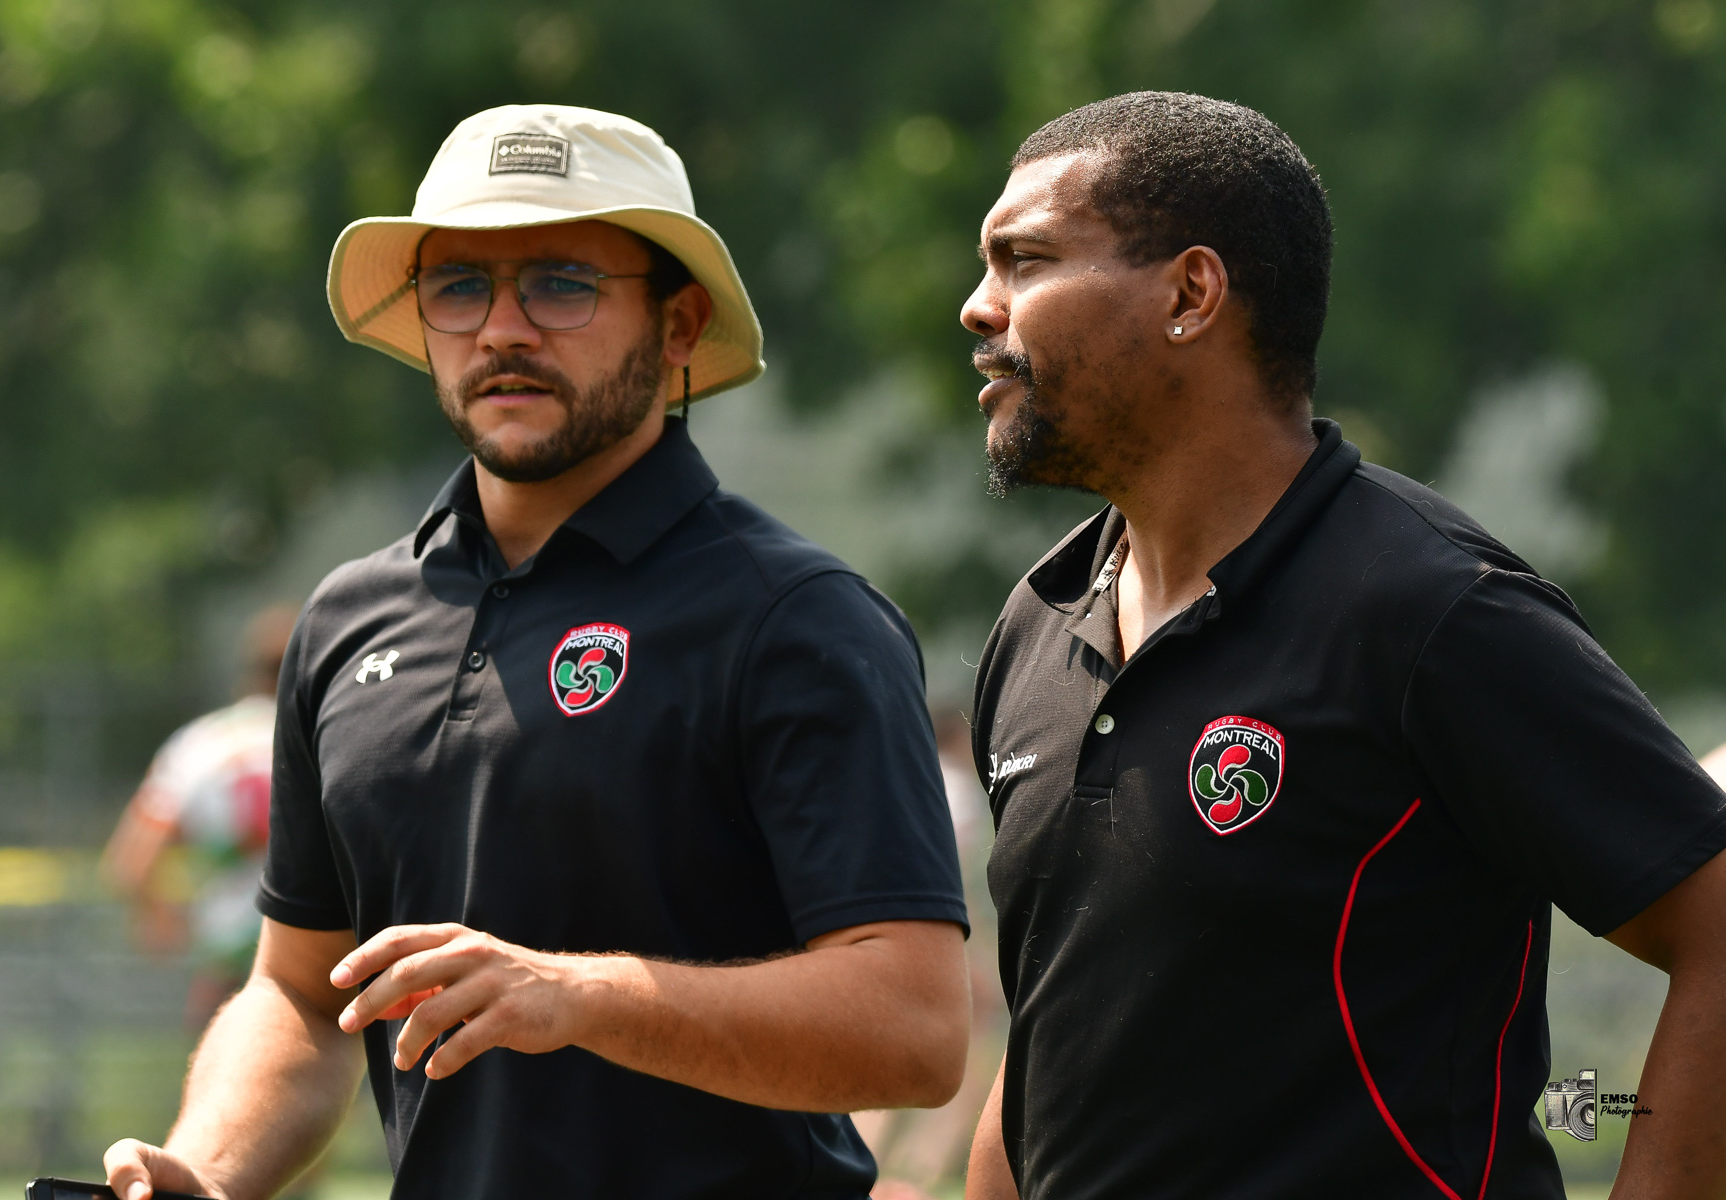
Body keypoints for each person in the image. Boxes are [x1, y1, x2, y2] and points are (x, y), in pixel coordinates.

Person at [104, 104, 970, 1200]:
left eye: (561, 282)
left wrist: (580, 997)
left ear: (677, 323)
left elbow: (915, 1028)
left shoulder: (798, 616)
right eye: (460, 286)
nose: (502, 329)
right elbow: (306, 996)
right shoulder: (347, 619)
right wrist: (207, 1172)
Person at [959, 92, 1726, 1199]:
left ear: (1190, 293)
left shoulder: (1430, 609)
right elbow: (1056, 1039)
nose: (980, 309)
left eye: (1024, 262)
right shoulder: (1038, 622)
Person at [103, 603, 297, 1028]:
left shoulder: (199, 744)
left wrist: (160, 917)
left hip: (228, 950)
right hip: (317, 951)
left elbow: (130, 862)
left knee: (221, 1079)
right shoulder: (330, 737)